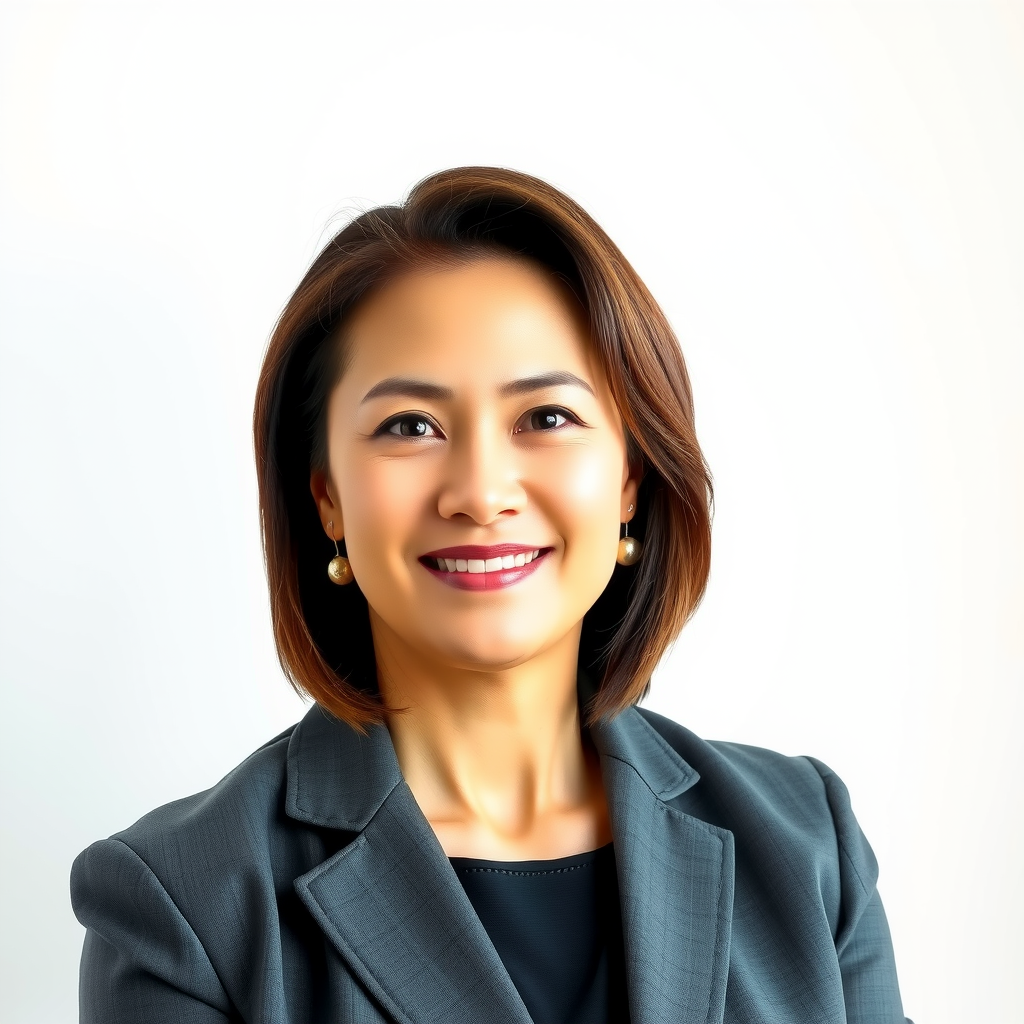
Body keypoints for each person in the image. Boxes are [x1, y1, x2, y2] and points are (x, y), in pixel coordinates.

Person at [71, 167, 911, 1023]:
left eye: (545, 417)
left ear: (630, 479)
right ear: (326, 495)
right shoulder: (186, 906)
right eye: (409, 427)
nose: (479, 490)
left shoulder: (808, 845)